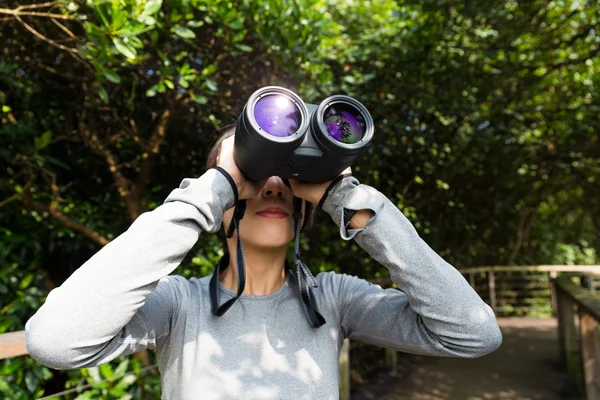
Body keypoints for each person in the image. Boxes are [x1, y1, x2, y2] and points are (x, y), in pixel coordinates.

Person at [25, 126, 502, 399]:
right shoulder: (177, 304)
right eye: (252, 173)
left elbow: (473, 333)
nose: (272, 185)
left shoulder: (334, 299)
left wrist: (348, 199)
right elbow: (55, 341)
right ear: (220, 201)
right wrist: (216, 187)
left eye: (288, 176)